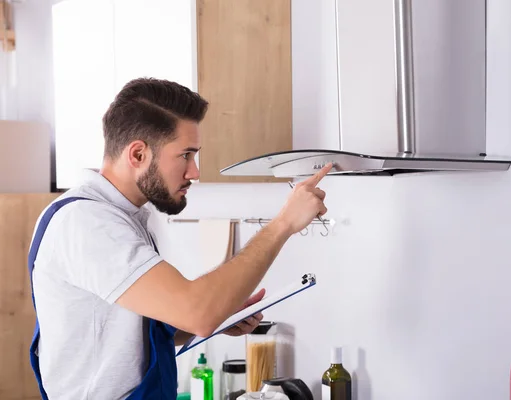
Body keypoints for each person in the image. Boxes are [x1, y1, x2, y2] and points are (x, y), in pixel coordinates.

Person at [28, 77, 332, 400]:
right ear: (138, 155)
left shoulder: (130, 218)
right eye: (185, 155)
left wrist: (221, 315)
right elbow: (197, 312)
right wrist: (283, 223)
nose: (195, 171)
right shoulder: (87, 224)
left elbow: (133, 334)